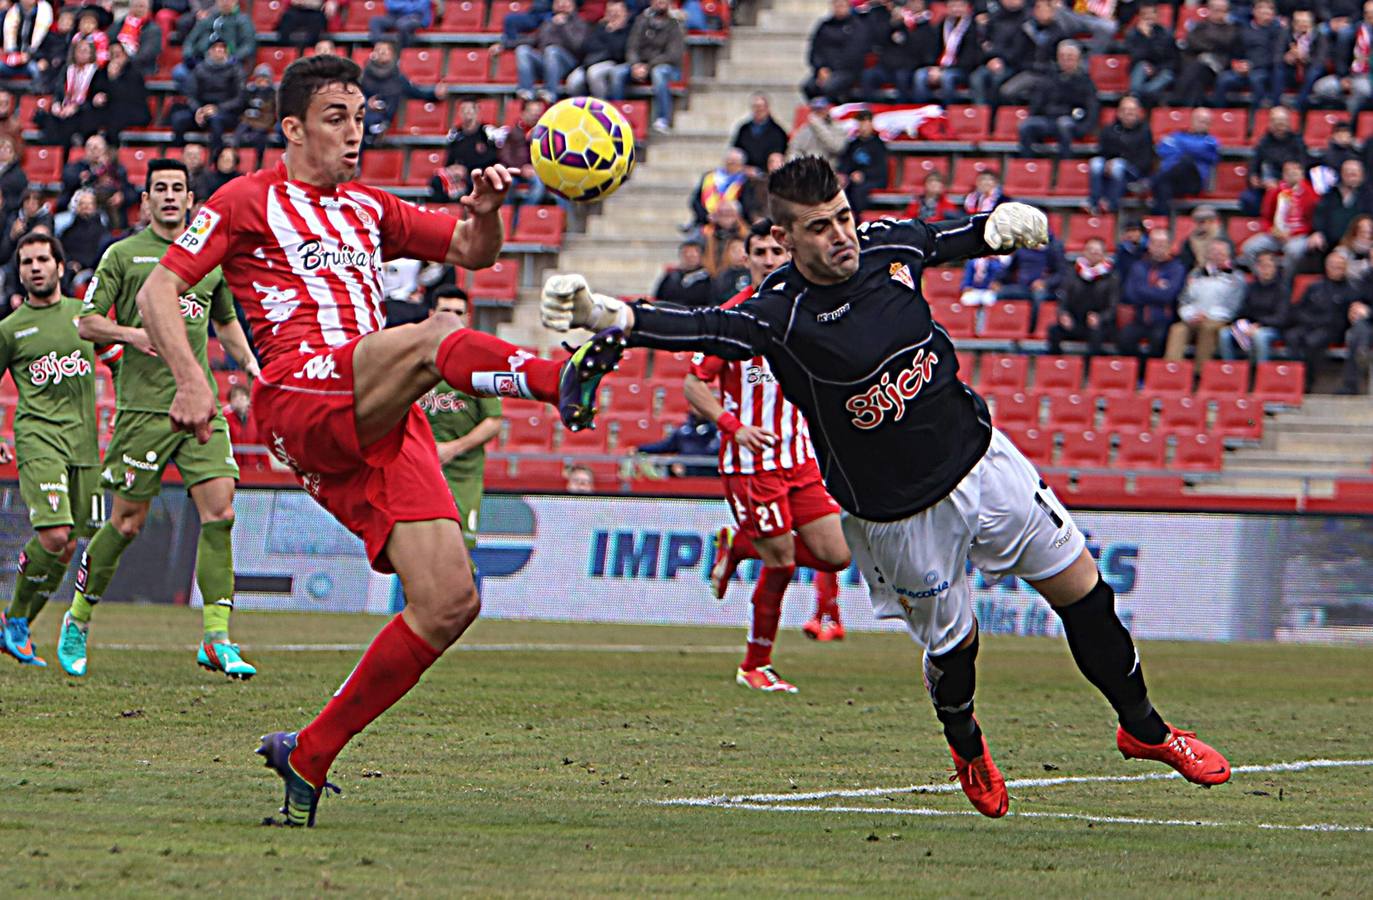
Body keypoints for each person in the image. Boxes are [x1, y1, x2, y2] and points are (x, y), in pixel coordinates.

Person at [542, 155, 1231, 819]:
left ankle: (1143, 729)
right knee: (954, 652)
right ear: (784, 238)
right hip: (898, 518)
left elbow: (945, 238)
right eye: (818, 226)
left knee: (1085, 595)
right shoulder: (775, 312)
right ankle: (965, 746)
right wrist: (613, 318)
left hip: (983, 465)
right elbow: (703, 328)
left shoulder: (885, 244)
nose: (839, 234)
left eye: (842, 216)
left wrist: (999, 225)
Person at [138, 55, 621, 826]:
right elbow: (160, 287)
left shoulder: (368, 208)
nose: (355, 134)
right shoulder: (243, 200)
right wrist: (192, 380)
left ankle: (310, 751)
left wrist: (489, 209)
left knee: (448, 602)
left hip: (376, 413)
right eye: (337, 118)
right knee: (437, 336)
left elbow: (471, 250)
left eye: (361, 118)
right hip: (299, 392)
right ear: (292, 128)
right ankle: (556, 379)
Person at [54, 160, 256, 679]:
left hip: (202, 407)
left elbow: (228, 324)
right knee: (126, 523)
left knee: (221, 513)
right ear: (144, 201)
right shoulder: (123, 255)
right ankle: (77, 618)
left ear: (191, 200)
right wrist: (134, 335)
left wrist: (255, 370)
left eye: (178, 189)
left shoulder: (210, 260)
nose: (169, 197)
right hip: (144, 413)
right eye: (159, 189)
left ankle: (216, 637)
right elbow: (86, 323)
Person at [684, 219, 851, 690]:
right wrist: (733, 428)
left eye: (778, 253)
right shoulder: (734, 319)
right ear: (747, 259)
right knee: (779, 562)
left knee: (835, 555)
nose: (770, 261)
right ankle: (755, 665)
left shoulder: (811, 311)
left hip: (799, 457)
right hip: (752, 463)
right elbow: (694, 382)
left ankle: (739, 545)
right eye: (761, 253)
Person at [0, 233, 100, 668]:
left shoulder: (84, 317)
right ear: (19, 272)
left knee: (68, 543)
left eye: (43, 259)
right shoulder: (9, 329)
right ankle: (15, 620)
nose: (35, 267)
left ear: (60, 267)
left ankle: (17, 625)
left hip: (85, 443)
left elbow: (118, 358)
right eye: (27, 262)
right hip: (39, 438)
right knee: (54, 534)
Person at [420, 289, 503, 551]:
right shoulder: (413, 359)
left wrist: (452, 449)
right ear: (431, 315)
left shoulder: (480, 361)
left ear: (467, 318)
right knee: (415, 553)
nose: (453, 319)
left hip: (461, 475)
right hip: (418, 472)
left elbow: (494, 420)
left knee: (458, 553)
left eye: (459, 313)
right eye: (446, 312)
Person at [1164, 237, 1246, 375]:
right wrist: (1190, 314)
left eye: (1220, 253)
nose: (1216, 256)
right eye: (1213, 252)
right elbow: (1184, 299)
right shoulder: (1196, 274)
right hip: (1194, 317)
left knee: (1207, 329)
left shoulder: (1236, 278)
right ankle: (1171, 371)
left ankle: (1200, 373)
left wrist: (1208, 315)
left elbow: (1234, 307)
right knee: (1177, 330)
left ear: (1228, 255)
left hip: (1218, 319)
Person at [1283, 250, 1359, 389]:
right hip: (1309, 324)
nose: (1336, 269)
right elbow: (1299, 308)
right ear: (1326, 266)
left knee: (1313, 341)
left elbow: (1341, 319)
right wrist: (1307, 320)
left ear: (1345, 268)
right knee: (1292, 336)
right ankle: (1293, 378)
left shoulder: (1350, 290)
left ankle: (1308, 381)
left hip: (1332, 329)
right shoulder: (1314, 286)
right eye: (1333, 266)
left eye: (1340, 266)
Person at [1017, 40, 1099, 160]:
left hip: (1072, 122)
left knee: (1064, 125)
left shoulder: (1085, 83)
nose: (1065, 60)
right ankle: (1029, 164)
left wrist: (1083, 129)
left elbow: (1092, 109)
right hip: (1049, 120)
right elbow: (1037, 103)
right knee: (1026, 126)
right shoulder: (1048, 78)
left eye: (1070, 57)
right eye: (1062, 57)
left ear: (1078, 59)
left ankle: (1065, 166)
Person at [1242, 158, 1320, 279]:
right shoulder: (1275, 192)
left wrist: (1297, 233)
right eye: (1288, 171)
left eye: (1295, 170)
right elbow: (1266, 217)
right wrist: (1272, 230)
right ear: (1283, 175)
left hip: (1299, 235)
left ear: (1301, 173)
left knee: (1293, 250)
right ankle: (1263, 278)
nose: (1292, 173)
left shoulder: (1311, 193)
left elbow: (1314, 220)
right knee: (1249, 248)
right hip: (1276, 234)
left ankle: (1285, 281)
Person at [613, 0, 683, 133]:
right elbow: (632, 47)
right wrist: (635, 65)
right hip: (640, 65)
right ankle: (618, 116)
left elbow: (673, 54)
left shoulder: (675, 24)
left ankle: (663, 119)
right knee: (618, 73)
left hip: (666, 66)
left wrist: (648, 67)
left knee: (659, 73)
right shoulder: (641, 21)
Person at [361, 40, 446, 149]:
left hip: (385, 117)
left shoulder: (398, 78)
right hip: (364, 114)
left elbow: (417, 93)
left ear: (392, 55)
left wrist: (435, 94)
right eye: (378, 50)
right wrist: (367, 104)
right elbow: (354, 95)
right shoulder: (364, 76)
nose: (381, 53)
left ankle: (378, 129)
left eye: (385, 50)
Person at [1118, 227, 1185, 358]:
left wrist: (1144, 289)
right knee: (1124, 338)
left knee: (1159, 340)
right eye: (1155, 243)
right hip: (1139, 318)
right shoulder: (1139, 266)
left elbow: (1168, 296)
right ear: (1149, 245)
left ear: (1169, 246)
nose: (1158, 247)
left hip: (1163, 320)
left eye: (1162, 244)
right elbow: (1130, 293)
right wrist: (1156, 289)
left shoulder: (1176, 268)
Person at [169, 38, 243, 154]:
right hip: (202, 110)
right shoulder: (199, 69)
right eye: (215, 48)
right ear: (209, 51)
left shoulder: (235, 70)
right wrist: (198, 110)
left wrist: (217, 109)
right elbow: (190, 95)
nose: (219, 50)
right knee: (178, 119)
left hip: (226, 112)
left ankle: (215, 158)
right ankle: (178, 155)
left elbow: (239, 99)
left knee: (216, 121)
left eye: (222, 48)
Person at [1048, 236, 1117, 356]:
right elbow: (1063, 298)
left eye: (1097, 252)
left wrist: (1100, 318)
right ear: (1084, 252)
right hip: (1075, 320)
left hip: (1098, 324)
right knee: (1054, 331)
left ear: (1103, 255)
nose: (1093, 254)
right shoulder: (1072, 273)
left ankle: (1089, 370)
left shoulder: (1111, 278)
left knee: (1097, 334)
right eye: (1090, 251)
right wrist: (1063, 315)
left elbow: (1113, 307)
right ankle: (1059, 364)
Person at [1219, 250, 1288, 364]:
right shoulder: (1251, 288)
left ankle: (1261, 372)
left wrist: (1259, 324)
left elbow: (1281, 317)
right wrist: (1239, 322)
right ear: (1257, 268)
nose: (1265, 269)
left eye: (1268, 266)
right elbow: (1243, 310)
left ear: (1274, 268)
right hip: (1250, 326)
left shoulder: (1282, 290)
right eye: (1262, 266)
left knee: (1259, 336)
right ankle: (1231, 370)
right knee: (1224, 334)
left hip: (1272, 328)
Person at [175, 0, 255, 98]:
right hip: (202, 62)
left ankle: (217, 107)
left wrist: (234, 58)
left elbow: (249, 45)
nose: (225, 2)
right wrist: (189, 56)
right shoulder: (208, 18)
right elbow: (190, 41)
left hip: (228, 65)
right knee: (179, 72)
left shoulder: (243, 21)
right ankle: (196, 105)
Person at [1088, 95, 1154, 214]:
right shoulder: (1109, 130)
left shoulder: (1144, 132)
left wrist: (1120, 161)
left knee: (1118, 165)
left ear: (1138, 112)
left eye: (1132, 110)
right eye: (1125, 110)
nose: (1128, 113)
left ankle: (1111, 204)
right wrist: (1108, 162)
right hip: (1111, 167)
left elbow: (1146, 160)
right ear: (1118, 112)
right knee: (1096, 163)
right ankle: (1094, 202)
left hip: (1135, 170)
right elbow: (1103, 151)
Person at [1213, 0, 1285, 108]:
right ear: (1254, 11)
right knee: (1223, 79)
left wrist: (1252, 65)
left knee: (1255, 79)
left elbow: (1275, 56)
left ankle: (1256, 117)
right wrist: (1236, 63)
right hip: (1242, 68)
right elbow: (1236, 50)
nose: (1266, 12)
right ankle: (1219, 114)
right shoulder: (1244, 29)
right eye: (1262, 9)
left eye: (1269, 10)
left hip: (1264, 69)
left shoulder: (1278, 32)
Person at [863, 0, 935, 103]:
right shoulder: (890, 19)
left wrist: (907, 26)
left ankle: (902, 108)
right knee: (869, 75)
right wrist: (893, 24)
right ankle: (872, 107)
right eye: (911, 3)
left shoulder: (925, 25)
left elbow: (917, 48)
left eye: (918, 3)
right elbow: (880, 40)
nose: (913, 5)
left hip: (908, 67)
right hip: (886, 66)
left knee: (902, 77)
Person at [1150, 107, 1220, 213]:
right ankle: (1161, 219)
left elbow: (1199, 149)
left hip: (1193, 183)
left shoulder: (1211, 141)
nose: (1203, 124)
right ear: (1192, 120)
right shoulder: (1179, 134)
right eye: (1200, 121)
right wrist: (1187, 149)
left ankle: (1149, 181)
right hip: (1173, 180)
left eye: (1206, 122)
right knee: (1163, 185)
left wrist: (1179, 147)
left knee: (1186, 160)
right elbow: (1162, 148)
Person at [513, 0, 587, 101]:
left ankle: (550, 92)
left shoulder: (579, 23)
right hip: (546, 62)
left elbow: (577, 46)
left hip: (568, 64)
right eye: (558, 3)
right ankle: (526, 91)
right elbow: (534, 39)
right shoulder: (548, 22)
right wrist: (504, 45)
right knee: (523, 50)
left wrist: (563, 26)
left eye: (565, 3)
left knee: (552, 50)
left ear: (573, 5)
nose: (561, 5)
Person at [1171, 0, 1238, 108]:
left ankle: (1177, 99)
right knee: (1197, 80)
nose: (1219, 13)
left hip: (1217, 65)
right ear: (1209, 10)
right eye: (1216, 10)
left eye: (1222, 10)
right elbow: (1191, 41)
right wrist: (1211, 45)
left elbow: (1225, 42)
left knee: (1197, 67)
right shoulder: (1200, 25)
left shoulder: (1231, 28)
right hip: (1198, 66)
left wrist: (1205, 44)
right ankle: (1191, 108)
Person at [998, 0, 1068, 104]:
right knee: (1006, 91)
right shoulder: (1026, 29)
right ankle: (1018, 112)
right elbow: (1016, 52)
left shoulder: (1058, 31)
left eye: (1046, 9)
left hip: (1049, 74)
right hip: (1028, 71)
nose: (1042, 12)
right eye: (1039, 8)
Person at [1241, 106, 1308, 215]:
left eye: (1282, 122)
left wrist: (1282, 183)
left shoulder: (1298, 142)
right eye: (1276, 122)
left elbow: (1303, 167)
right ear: (1270, 123)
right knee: (1248, 198)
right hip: (1266, 187)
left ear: (1288, 123)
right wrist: (1254, 178)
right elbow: (1254, 165)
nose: (1279, 126)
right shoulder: (1263, 142)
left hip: (1289, 186)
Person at [1311, 0, 1373, 116]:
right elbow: (1341, 58)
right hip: (1350, 76)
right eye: (1367, 13)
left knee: (1361, 91)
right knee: (1320, 88)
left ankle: (1350, 126)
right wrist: (1343, 78)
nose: (1370, 17)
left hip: (1368, 78)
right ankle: (1334, 121)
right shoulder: (1352, 33)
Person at [801, 0, 870, 104]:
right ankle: (818, 112)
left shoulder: (857, 26)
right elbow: (815, 50)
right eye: (836, 5)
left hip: (847, 71)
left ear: (848, 7)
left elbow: (855, 53)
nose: (839, 8)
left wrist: (832, 71)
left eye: (842, 5)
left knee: (830, 86)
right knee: (808, 87)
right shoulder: (824, 25)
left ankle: (833, 111)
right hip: (824, 71)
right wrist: (820, 68)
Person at [911, 0, 978, 106]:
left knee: (947, 77)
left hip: (962, 69)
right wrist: (932, 66)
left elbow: (970, 56)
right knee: (920, 75)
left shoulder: (973, 27)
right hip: (940, 67)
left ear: (967, 7)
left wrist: (943, 70)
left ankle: (948, 112)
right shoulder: (943, 25)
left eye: (960, 6)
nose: (956, 9)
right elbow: (933, 48)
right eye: (953, 6)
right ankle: (924, 111)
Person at [433, 98, 501, 201]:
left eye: (470, 110)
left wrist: (467, 170)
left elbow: (495, 157)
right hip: (459, 175)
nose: (467, 113)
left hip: (481, 174)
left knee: (474, 182)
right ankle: (445, 211)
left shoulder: (487, 131)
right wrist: (452, 169)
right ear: (459, 113)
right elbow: (449, 159)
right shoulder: (455, 133)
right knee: (437, 181)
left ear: (477, 112)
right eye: (464, 110)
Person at [566, 0, 630, 99]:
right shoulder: (599, 27)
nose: (613, 16)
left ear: (625, 13)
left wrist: (614, 32)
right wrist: (607, 32)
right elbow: (586, 46)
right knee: (573, 81)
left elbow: (618, 53)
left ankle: (601, 107)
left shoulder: (628, 30)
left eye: (616, 13)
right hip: (590, 63)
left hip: (613, 63)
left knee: (594, 74)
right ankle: (580, 109)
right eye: (610, 12)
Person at [969, 0, 1027, 108]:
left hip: (1014, 65)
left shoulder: (1026, 21)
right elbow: (986, 42)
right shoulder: (995, 18)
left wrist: (1001, 60)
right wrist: (991, 59)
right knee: (976, 77)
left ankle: (995, 116)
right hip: (992, 61)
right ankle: (981, 116)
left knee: (997, 80)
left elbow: (1020, 49)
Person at [92, 41, 151, 142]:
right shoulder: (102, 72)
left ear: (125, 55)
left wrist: (113, 78)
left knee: (115, 116)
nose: (116, 58)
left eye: (118, 54)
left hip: (134, 110)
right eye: (112, 55)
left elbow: (127, 95)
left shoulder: (134, 72)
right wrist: (96, 98)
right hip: (110, 109)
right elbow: (96, 90)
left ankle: (112, 149)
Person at [1313, 159, 1373, 251]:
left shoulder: (1368, 196)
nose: (1351, 176)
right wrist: (1317, 232)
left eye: (1354, 173)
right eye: (1347, 172)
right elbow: (1319, 217)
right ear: (1341, 174)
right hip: (1330, 244)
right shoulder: (1330, 196)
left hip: (1361, 244)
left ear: (1362, 175)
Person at [1126, 3, 1177, 107]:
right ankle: (1135, 96)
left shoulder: (1166, 34)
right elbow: (1135, 57)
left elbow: (1173, 60)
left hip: (1162, 70)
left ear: (1156, 16)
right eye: (1145, 14)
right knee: (1141, 66)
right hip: (1141, 69)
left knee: (1166, 75)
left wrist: (1156, 69)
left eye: (1151, 14)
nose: (1148, 17)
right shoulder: (1133, 34)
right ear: (1140, 17)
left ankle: (1137, 97)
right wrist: (1146, 38)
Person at [838, 109, 888, 216]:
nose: (863, 127)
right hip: (854, 178)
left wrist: (863, 175)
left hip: (874, 179)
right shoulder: (853, 144)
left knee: (858, 190)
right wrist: (843, 174)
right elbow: (846, 162)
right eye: (861, 123)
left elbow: (880, 168)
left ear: (871, 124)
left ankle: (859, 219)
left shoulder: (879, 145)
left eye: (866, 123)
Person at [228, 64, 278, 167]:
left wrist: (262, 107)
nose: (262, 82)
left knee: (260, 136)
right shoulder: (250, 90)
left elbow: (272, 110)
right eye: (259, 78)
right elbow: (242, 105)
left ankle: (258, 162)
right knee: (238, 134)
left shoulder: (273, 93)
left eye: (265, 79)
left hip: (263, 121)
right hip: (248, 119)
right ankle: (233, 158)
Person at [1282, 9, 1330, 111]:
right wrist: (1287, 58)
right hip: (1293, 70)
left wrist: (1305, 58)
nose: (1301, 25)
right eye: (1298, 22)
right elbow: (1277, 55)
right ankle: (1275, 104)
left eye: (1305, 22)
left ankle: (1297, 106)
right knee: (1278, 69)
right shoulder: (1286, 35)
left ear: (1311, 23)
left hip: (1312, 71)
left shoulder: (1320, 36)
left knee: (1314, 70)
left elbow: (1320, 59)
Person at [55, 190, 110, 279]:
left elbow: (101, 254)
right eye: (82, 204)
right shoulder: (68, 230)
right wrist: (70, 263)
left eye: (89, 204)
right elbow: (62, 250)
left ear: (95, 207)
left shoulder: (102, 231)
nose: (86, 207)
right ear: (77, 207)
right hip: (70, 269)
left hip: (92, 270)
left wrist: (82, 265)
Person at [690, 148, 748, 228]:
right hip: (707, 222)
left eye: (734, 163)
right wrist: (706, 216)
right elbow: (695, 201)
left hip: (734, 225)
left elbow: (747, 205)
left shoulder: (745, 181)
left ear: (741, 165)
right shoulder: (710, 177)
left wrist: (727, 218)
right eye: (729, 161)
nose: (730, 164)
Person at [730, 93, 789, 174]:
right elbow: (737, 148)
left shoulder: (778, 132)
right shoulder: (744, 129)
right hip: (743, 172)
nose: (758, 110)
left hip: (765, 173)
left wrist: (759, 171)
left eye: (761, 106)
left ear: (767, 108)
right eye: (755, 107)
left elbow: (777, 156)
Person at [787, 97, 847, 168]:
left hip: (829, 167)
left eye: (821, 110)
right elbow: (794, 149)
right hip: (808, 168)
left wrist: (818, 126)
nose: (818, 113)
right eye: (815, 110)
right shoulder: (805, 129)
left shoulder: (837, 127)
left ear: (827, 110)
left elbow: (836, 148)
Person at [1, 0, 54, 80]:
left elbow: (50, 43)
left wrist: (33, 57)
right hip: (12, 58)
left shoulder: (45, 13)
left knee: (37, 69)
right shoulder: (9, 13)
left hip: (34, 59)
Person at [653, 238, 713, 307]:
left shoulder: (709, 279)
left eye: (693, 254)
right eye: (685, 253)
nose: (689, 256)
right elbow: (659, 298)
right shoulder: (671, 277)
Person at [111, 0, 162, 77]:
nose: (138, 9)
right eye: (135, 6)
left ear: (148, 9)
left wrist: (124, 61)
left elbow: (147, 54)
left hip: (141, 69)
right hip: (116, 65)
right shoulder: (120, 23)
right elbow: (109, 39)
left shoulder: (154, 29)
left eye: (141, 6)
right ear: (130, 8)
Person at [367, 0, 432, 48]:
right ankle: (381, 47)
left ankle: (403, 53)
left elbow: (420, 7)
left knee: (403, 25)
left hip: (416, 17)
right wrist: (409, 6)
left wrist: (401, 6)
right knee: (375, 21)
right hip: (395, 17)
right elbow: (390, 5)